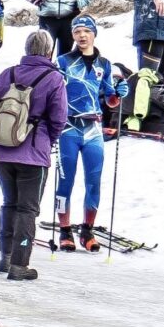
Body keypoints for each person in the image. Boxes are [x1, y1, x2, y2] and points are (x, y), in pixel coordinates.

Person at [0, 31, 71, 283]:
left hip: (2, 152)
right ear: (48, 52)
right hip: (33, 154)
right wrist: (47, 141)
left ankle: (5, 256)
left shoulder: (8, 73)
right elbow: (58, 118)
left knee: (9, 203)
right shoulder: (53, 78)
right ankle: (20, 265)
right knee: (27, 209)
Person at [52, 16, 120, 252]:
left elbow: (111, 101)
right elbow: (53, 92)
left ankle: (87, 231)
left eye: (86, 31)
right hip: (68, 128)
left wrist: (119, 92)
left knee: (94, 182)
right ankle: (64, 230)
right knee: (65, 181)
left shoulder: (105, 64)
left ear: (94, 34)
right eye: (77, 31)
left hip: (93, 129)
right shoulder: (63, 61)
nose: (82, 35)